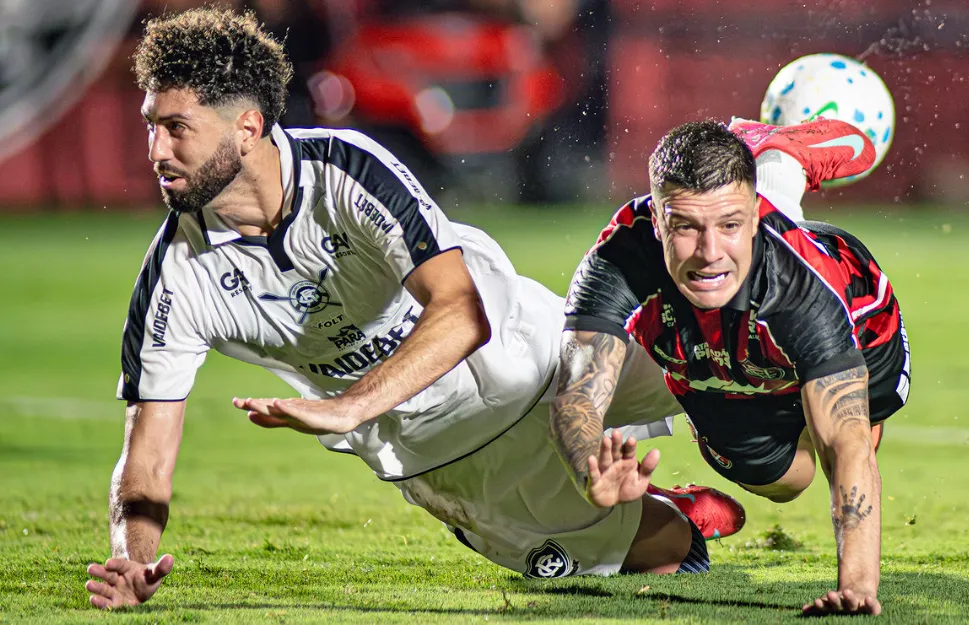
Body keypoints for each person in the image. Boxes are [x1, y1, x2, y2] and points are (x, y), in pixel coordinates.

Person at [83, 8, 744, 610]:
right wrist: (131, 557)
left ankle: (776, 158)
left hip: (542, 350)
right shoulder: (175, 278)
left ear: (247, 128)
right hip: (451, 455)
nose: (156, 151)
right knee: (668, 552)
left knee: (750, 379)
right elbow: (146, 457)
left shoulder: (344, 170)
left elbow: (462, 314)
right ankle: (666, 504)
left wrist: (348, 407)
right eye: (151, 127)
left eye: (176, 129)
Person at [549, 118, 911, 617]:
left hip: (862, 325)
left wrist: (857, 587)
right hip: (721, 360)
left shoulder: (801, 288)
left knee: (849, 437)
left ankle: (780, 161)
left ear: (755, 218)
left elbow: (844, 444)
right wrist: (588, 469)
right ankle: (766, 169)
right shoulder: (616, 261)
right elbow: (576, 396)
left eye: (730, 225)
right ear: (657, 222)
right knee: (785, 483)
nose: (709, 253)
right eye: (685, 227)